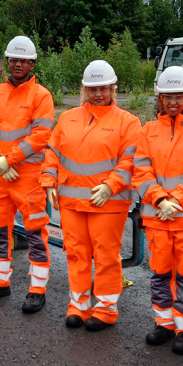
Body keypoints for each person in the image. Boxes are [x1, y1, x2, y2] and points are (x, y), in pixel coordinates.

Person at [41, 60, 142, 330]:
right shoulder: (68, 118)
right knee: (76, 254)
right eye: (93, 89)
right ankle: (79, 306)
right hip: (71, 201)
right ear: (84, 89)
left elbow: (130, 160)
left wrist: (111, 185)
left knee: (106, 255)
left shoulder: (127, 122)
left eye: (104, 89)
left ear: (113, 89)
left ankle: (106, 310)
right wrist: (49, 180)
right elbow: (53, 151)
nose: (98, 94)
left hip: (108, 202)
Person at [132, 66, 183, 355]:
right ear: (159, 98)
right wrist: (159, 200)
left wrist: (176, 201)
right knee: (159, 272)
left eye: (178, 96)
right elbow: (140, 171)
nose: (172, 102)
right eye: (167, 97)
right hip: (158, 218)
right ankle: (164, 323)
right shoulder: (148, 131)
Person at [0, 36, 55, 313]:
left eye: (23, 60)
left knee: (34, 233)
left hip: (28, 175)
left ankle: (37, 289)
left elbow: (41, 135)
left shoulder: (41, 95)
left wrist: (7, 159)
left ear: (32, 63)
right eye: (13, 59)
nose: (17, 64)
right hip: (0, 174)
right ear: (6, 61)